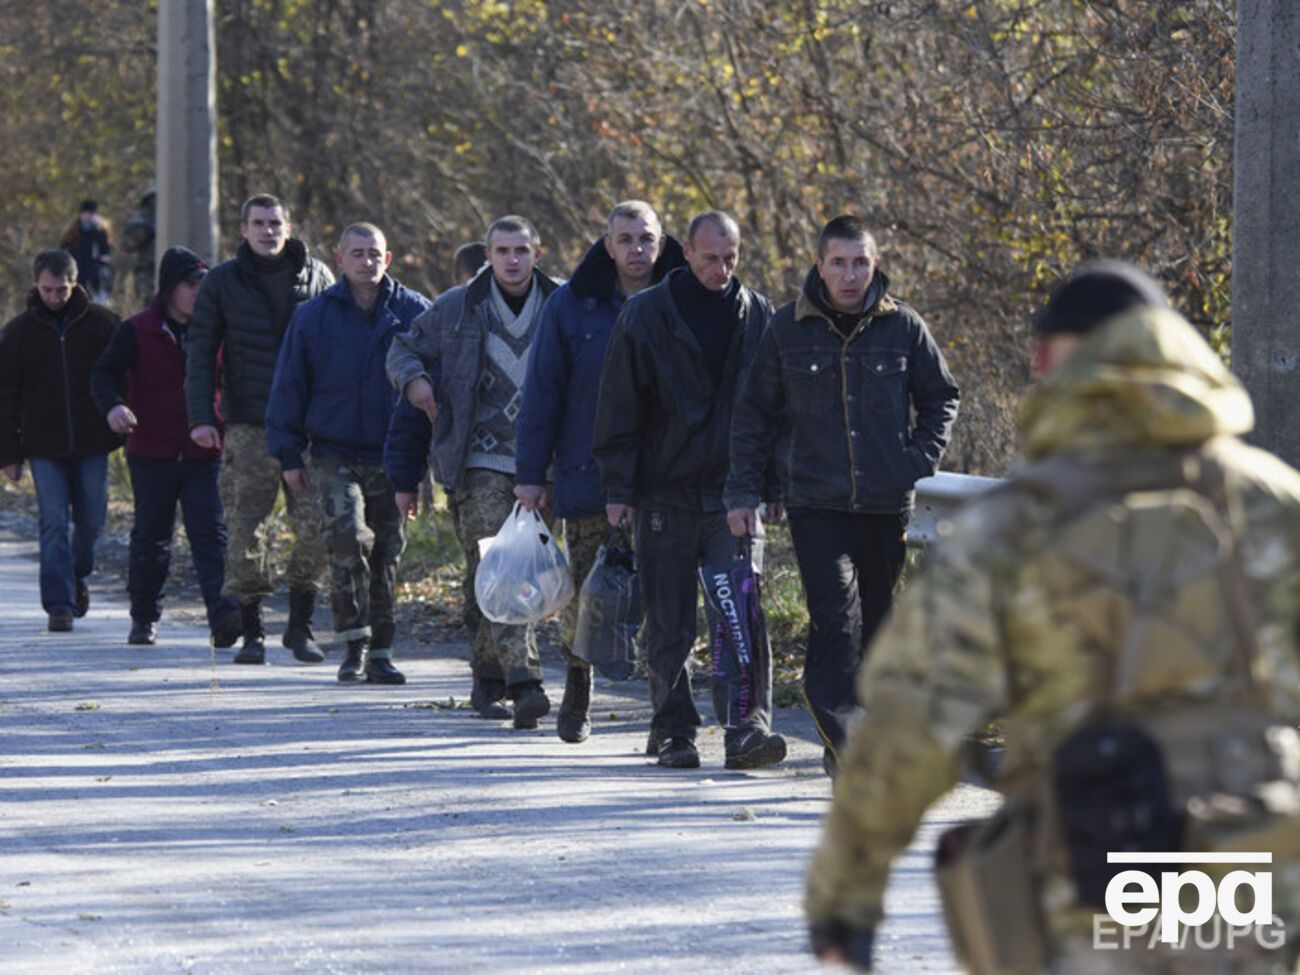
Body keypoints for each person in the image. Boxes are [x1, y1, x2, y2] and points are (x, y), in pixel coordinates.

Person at [804, 262, 1300, 973]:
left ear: (1062, 357)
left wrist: (845, 897)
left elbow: (910, 724)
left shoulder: (1018, 524)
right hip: (1255, 871)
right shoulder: (1275, 503)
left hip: (1090, 870)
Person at [726, 215, 959, 776]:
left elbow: (941, 397)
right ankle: (846, 742)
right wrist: (743, 492)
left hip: (885, 504)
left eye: (860, 262)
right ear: (820, 267)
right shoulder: (787, 330)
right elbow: (753, 416)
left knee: (878, 623)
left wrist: (917, 461)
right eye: (839, 263)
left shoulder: (903, 327)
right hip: (816, 503)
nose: (849, 274)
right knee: (836, 617)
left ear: (874, 264)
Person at [592, 210, 784, 771]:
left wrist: (773, 482)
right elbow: (618, 406)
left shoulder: (759, 315)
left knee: (740, 617)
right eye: (710, 258)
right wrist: (618, 487)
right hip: (663, 493)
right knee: (670, 620)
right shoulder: (645, 314)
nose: (721, 269)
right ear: (686, 253)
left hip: (734, 495)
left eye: (730, 258)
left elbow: (778, 408)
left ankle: (747, 728)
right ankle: (674, 728)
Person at [514, 200, 685, 743]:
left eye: (646, 239)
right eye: (626, 239)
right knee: (591, 592)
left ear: (662, 243)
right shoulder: (572, 304)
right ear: (607, 245)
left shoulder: (684, 297)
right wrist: (531, 474)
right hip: (590, 475)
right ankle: (578, 691)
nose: (637, 249)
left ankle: (666, 716)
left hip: (669, 476)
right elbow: (542, 392)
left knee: (665, 601)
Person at [387, 215, 560, 727]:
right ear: (487, 254)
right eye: (502, 250)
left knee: (516, 574)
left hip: (544, 462)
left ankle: (486, 674)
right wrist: (415, 381)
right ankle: (524, 680)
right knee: (501, 563)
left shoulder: (559, 304)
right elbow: (402, 348)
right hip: (477, 459)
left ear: (537, 253)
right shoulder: (457, 306)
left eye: (521, 250)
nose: (512, 260)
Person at [266, 223, 432, 683]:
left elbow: (438, 388)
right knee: (346, 538)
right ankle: (353, 644)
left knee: (387, 552)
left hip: (394, 453)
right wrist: (289, 453)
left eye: (374, 254)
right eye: (357, 254)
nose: (367, 262)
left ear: (389, 258)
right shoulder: (314, 316)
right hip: (333, 451)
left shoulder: (414, 313)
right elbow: (288, 385)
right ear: (339, 260)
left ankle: (382, 651)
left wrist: (425, 463)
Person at [184, 194, 334, 665]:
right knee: (245, 530)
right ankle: (252, 632)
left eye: (275, 223)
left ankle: (300, 624)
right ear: (244, 229)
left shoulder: (318, 277)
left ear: (288, 227)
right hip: (248, 422)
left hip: (308, 427)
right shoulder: (223, 282)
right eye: (259, 223)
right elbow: (201, 353)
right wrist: (201, 419)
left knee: (318, 526)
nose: (268, 231)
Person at [90, 246, 242, 648]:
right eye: (190, 285)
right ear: (169, 289)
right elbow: (103, 374)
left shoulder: (219, 331)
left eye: (203, 285)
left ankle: (223, 617)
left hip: (205, 451)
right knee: (151, 538)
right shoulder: (137, 329)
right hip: (150, 450)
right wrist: (114, 406)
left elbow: (236, 382)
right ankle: (144, 617)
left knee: (210, 534)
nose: (198, 292)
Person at [0, 250, 121, 631]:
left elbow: (124, 377)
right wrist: (9, 453)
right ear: (35, 284)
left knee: (92, 521)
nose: (55, 297)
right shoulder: (17, 333)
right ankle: (59, 604)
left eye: (62, 289)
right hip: (42, 445)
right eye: (48, 289)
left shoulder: (103, 324)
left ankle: (77, 575)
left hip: (92, 441)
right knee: (52, 522)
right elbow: (5, 397)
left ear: (76, 282)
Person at [60, 200, 113, 303]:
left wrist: (98, 232)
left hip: (94, 275)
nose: (87, 216)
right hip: (76, 273)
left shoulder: (100, 232)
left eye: (90, 214)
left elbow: (106, 252)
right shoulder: (73, 231)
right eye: (85, 213)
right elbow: (64, 249)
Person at [120, 187, 157, 307]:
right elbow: (126, 244)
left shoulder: (177, 211)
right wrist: (141, 234)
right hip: (148, 271)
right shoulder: (143, 217)